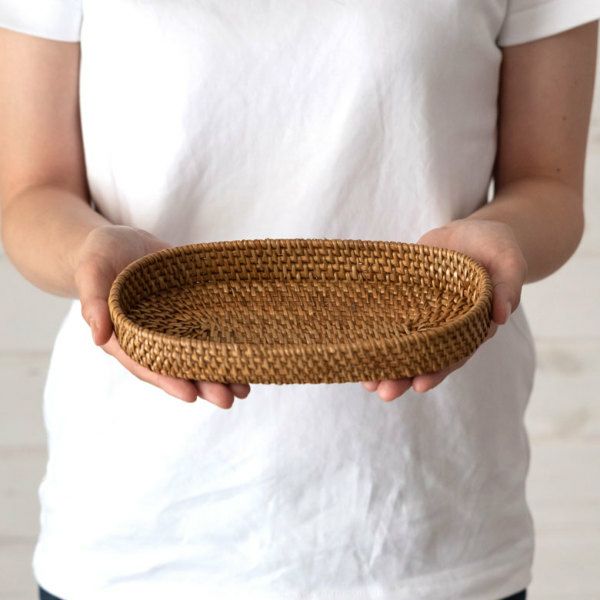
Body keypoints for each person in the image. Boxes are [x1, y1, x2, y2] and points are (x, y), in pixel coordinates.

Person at [1, 1, 598, 599]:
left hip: (430, 522)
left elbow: (546, 186)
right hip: (138, 527)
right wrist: (87, 253)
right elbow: (34, 192)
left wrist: (500, 240)